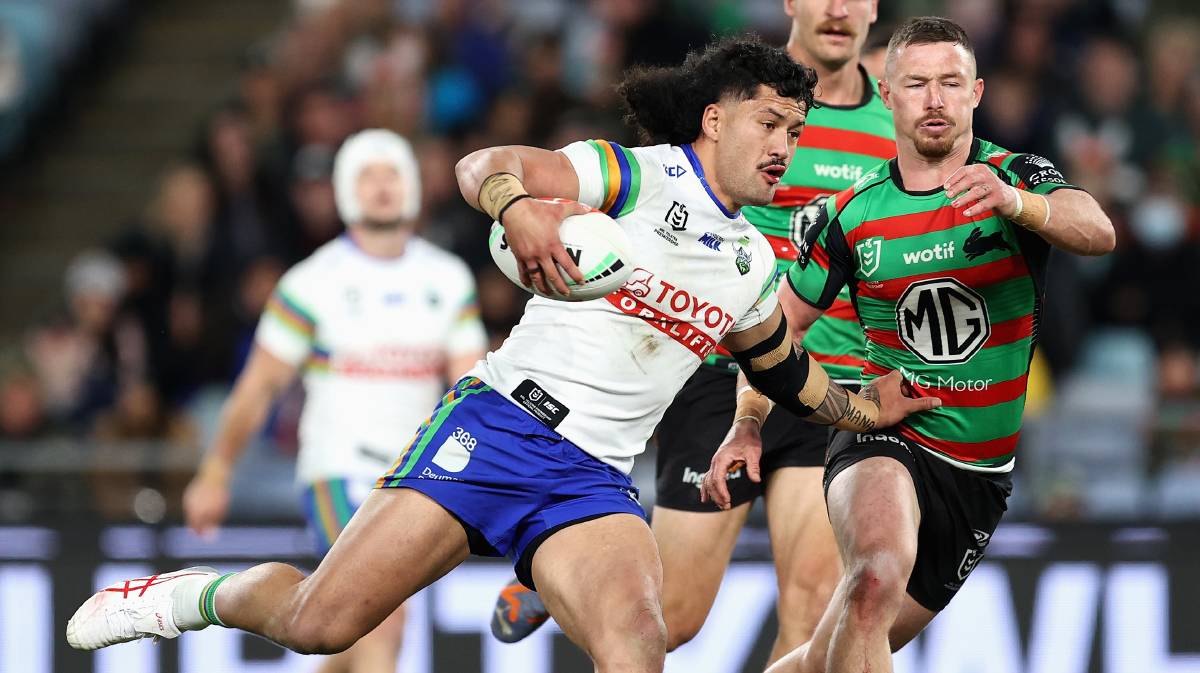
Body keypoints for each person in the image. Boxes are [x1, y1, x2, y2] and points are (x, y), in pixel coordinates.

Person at [66, 38, 933, 673]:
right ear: (715, 118)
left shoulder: (753, 262)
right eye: (770, 123)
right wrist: (517, 206)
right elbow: (486, 163)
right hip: (497, 429)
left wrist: (869, 410)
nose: (786, 146)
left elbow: (784, 370)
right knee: (319, 623)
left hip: (591, 478)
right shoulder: (636, 176)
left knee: (639, 647)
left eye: (797, 130)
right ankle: (176, 598)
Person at [702, 18, 1116, 673]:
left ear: (976, 92)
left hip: (978, 474)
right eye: (916, 83)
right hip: (882, 432)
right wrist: (748, 422)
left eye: (950, 82)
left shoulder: (1017, 176)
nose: (934, 99)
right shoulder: (853, 213)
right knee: (872, 576)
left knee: (829, 655)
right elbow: (778, 329)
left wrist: (1017, 204)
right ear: (887, 95)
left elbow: (1097, 229)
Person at [491, 2, 894, 661]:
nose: (840, 8)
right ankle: (553, 569)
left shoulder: (893, 125)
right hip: (718, 372)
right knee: (672, 617)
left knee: (816, 601)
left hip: (825, 378)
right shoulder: (746, 96)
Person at [178, 128, 489, 673]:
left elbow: (472, 389)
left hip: (417, 476)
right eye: (367, 176)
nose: (381, 187)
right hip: (338, 471)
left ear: (413, 185)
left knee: (346, 626)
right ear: (346, 190)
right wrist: (215, 471)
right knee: (381, 614)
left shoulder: (448, 277)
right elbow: (258, 387)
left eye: (391, 173)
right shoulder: (312, 282)